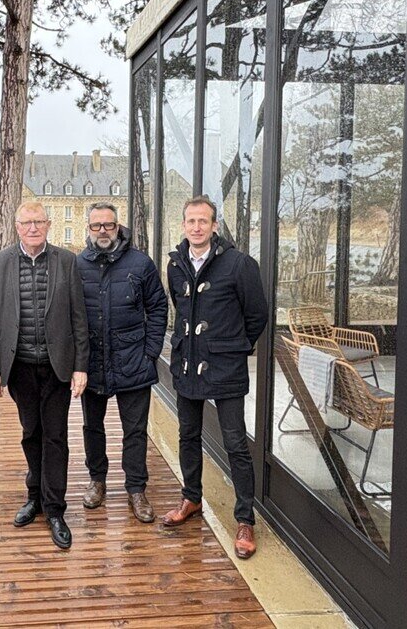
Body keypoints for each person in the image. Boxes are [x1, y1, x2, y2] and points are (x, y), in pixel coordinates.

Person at [161, 195, 268, 561]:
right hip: (188, 364)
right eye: (191, 221)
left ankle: (245, 519)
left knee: (236, 443)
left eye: (203, 221)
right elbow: (182, 308)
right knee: (187, 435)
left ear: (214, 225)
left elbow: (257, 316)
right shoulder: (175, 265)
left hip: (225, 367)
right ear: (183, 225)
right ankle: (191, 498)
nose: (196, 227)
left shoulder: (239, 265)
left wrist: (233, 347)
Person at [0, 201, 90, 549]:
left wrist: (80, 366)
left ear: (48, 225)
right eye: (26, 223)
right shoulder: (0, 263)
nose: (32, 228)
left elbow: (79, 319)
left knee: (55, 436)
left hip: (58, 365)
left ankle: (55, 509)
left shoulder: (66, 261)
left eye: (38, 222)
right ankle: (35, 497)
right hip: (21, 366)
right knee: (31, 433)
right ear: (16, 226)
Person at [76, 202, 168, 523]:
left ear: (118, 227)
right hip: (93, 363)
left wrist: (151, 351)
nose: (103, 230)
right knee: (92, 426)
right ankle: (97, 480)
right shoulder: (78, 265)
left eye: (109, 225)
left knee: (135, 430)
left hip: (134, 360)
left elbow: (158, 307)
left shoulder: (140, 264)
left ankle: (136, 488)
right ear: (88, 229)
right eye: (96, 225)